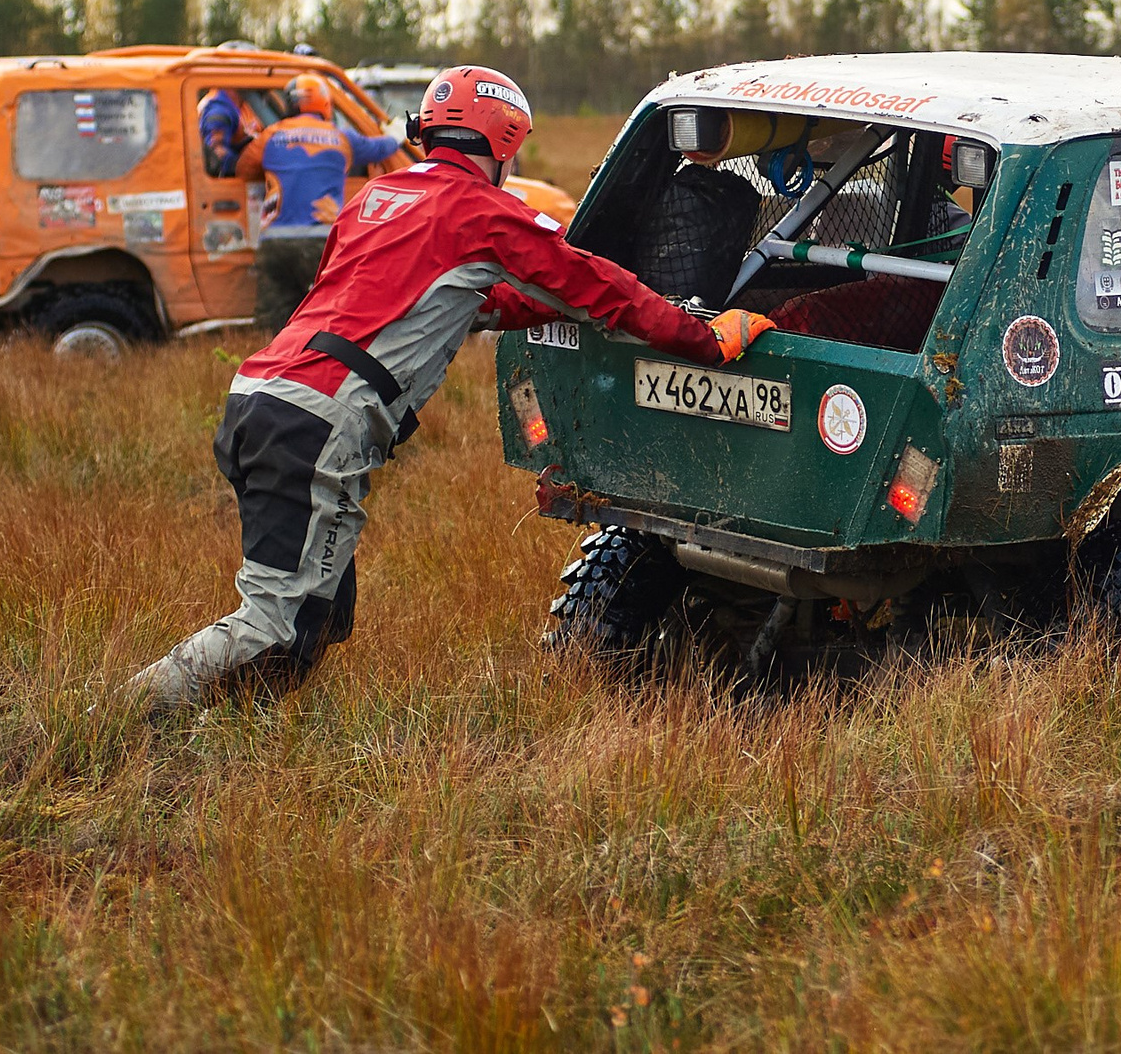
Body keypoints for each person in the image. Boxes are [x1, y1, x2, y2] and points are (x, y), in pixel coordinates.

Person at [128, 64, 776, 714]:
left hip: (261, 396)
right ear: (503, 141)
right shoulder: (482, 210)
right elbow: (594, 283)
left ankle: (228, 733)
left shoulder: (377, 200)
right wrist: (703, 339)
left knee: (321, 618)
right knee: (276, 626)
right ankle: (119, 715)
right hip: (319, 421)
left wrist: (555, 308)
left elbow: (471, 300)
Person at [238, 75, 404, 329]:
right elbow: (380, 149)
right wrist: (396, 134)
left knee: (273, 320)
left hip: (274, 243)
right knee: (328, 315)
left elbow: (243, 169)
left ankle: (271, 365)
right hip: (320, 243)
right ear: (325, 104)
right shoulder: (341, 137)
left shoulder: (270, 136)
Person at [198, 87, 261, 179]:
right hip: (223, 184)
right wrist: (249, 167)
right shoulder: (219, 110)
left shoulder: (237, 105)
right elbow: (216, 154)